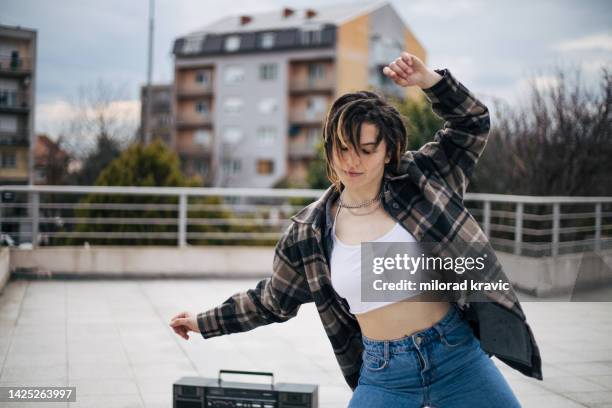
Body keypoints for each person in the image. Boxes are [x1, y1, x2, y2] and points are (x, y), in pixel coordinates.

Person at [170, 52, 542, 407]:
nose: (352, 161)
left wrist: (430, 82)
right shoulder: (310, 231)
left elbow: (472, 123)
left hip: (456, 356)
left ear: (388, 149)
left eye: (366, 150)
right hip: (384, 373)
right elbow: (271, 301)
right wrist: (205, 322)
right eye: (343, 148)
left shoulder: (423, 179)